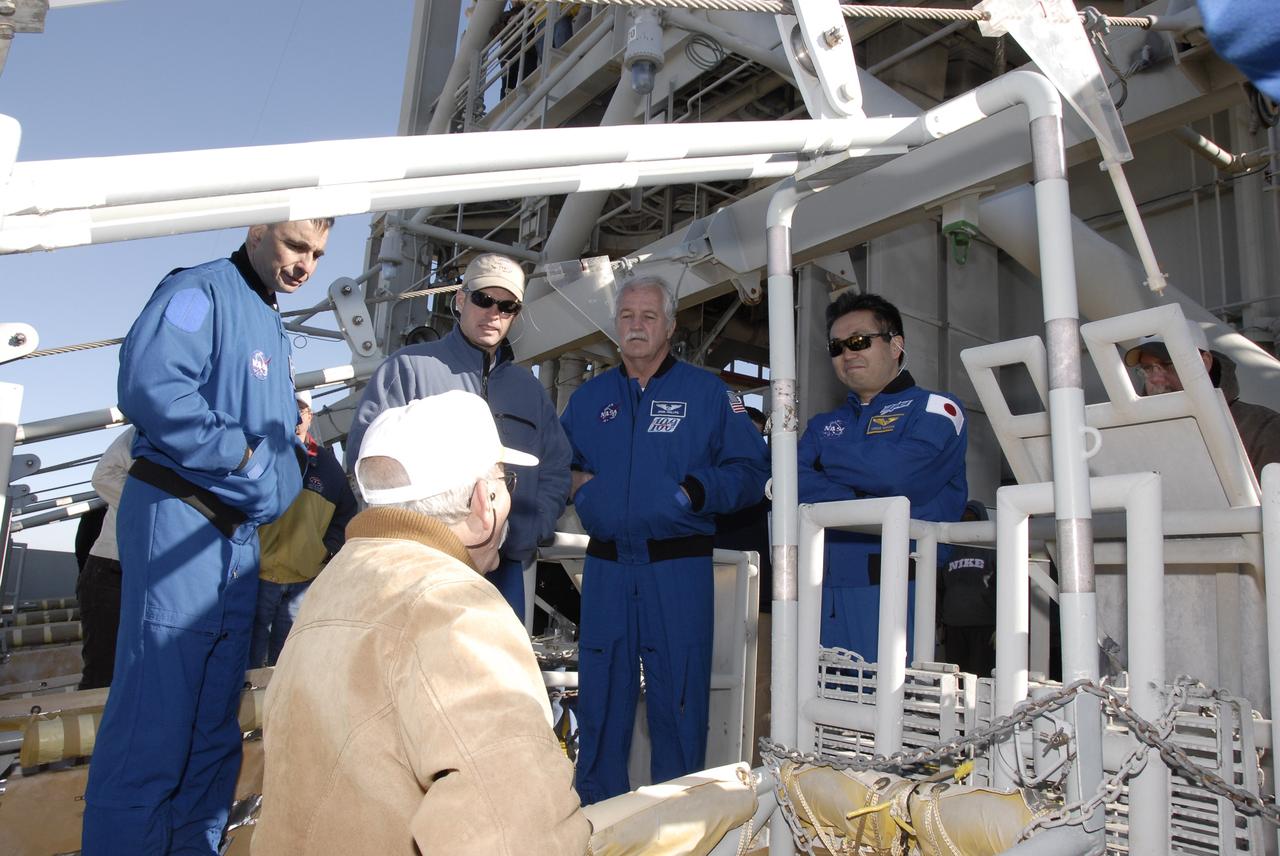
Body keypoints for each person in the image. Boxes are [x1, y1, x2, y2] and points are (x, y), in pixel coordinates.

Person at [82, 218, 332, 855]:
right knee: (155, 725)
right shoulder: (202, 291)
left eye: (318, 254)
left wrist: (279, 464)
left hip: (239, 541)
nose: (306, 265)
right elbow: (153, 385)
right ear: (256, 228)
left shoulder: (269, 322)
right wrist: (248, 459)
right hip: (183, 519)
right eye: (295, 245)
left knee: (212, 731)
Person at [253, 390, 590, 855]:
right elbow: (517, 831)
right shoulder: (457, 609)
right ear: (484, 500)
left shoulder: (333, 587)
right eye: (502, 480)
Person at [561, 274, 770, 805]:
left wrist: (694, 491)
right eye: (627, 316)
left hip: (678, 569)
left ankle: (677, 823)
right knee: (602, 697)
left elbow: (752, 469)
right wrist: (583, 490)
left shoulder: (708, 395)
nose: (637, 325)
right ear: (615, 327)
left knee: (678, 702)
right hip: (607, 568)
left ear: (670, 326)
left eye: (649, 316)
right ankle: (597, 819)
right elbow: (556, 465)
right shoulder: (589, 399)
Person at [346, 252, 570, 623]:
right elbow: (367, 464)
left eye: (507, 305)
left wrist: (528, 530)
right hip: (421, 564)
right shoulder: (407, 369)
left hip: (505, 566)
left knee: (491, 670)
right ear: (461, 300)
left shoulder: (528, 391)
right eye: (484, 299)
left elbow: (556, 467)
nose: (494, 312)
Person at [798, 292, 967, 662]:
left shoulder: (937, 409)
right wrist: (866, 496)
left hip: (894, 589)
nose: (848, 353)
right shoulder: (824, 425)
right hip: (818, 591)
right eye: (837, 347)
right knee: (816, 710)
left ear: (896, 345)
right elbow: (789, 482)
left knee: (889, 709)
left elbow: (902, 476)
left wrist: (830, 464)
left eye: (859, 341)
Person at [249, 389, 357, 668]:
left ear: (310, 416)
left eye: (303, 410)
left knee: (288, 662)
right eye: (291, 408)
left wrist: (325, 551)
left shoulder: (328, 467)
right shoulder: (260, 457)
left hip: (302, 580)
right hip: (259, 577)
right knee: (248, 659)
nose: (297, 417)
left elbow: (346, 513)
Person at [1124, 319, 1280, 482]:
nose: (1156, 378)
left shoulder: (1263, 427)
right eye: (1147, 368)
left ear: (1204, 362)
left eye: (1169, 364)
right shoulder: (1134, 433)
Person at [76, 425, 135, 690]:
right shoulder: (145, 428)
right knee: (103, 677)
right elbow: (104, 475)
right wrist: (158, 511)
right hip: (114, 569)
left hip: (153, 575)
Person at [938, 500, 996, 677]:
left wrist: (1001, 627)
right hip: (953, 627)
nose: (967, 521)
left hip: (984, 627)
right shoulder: (948, 553)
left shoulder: (992, 552)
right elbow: (940, 589)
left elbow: (1004, 590)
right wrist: (940, 623)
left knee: (981, 676)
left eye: (972, 517)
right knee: (955, 678)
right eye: (964, 517)